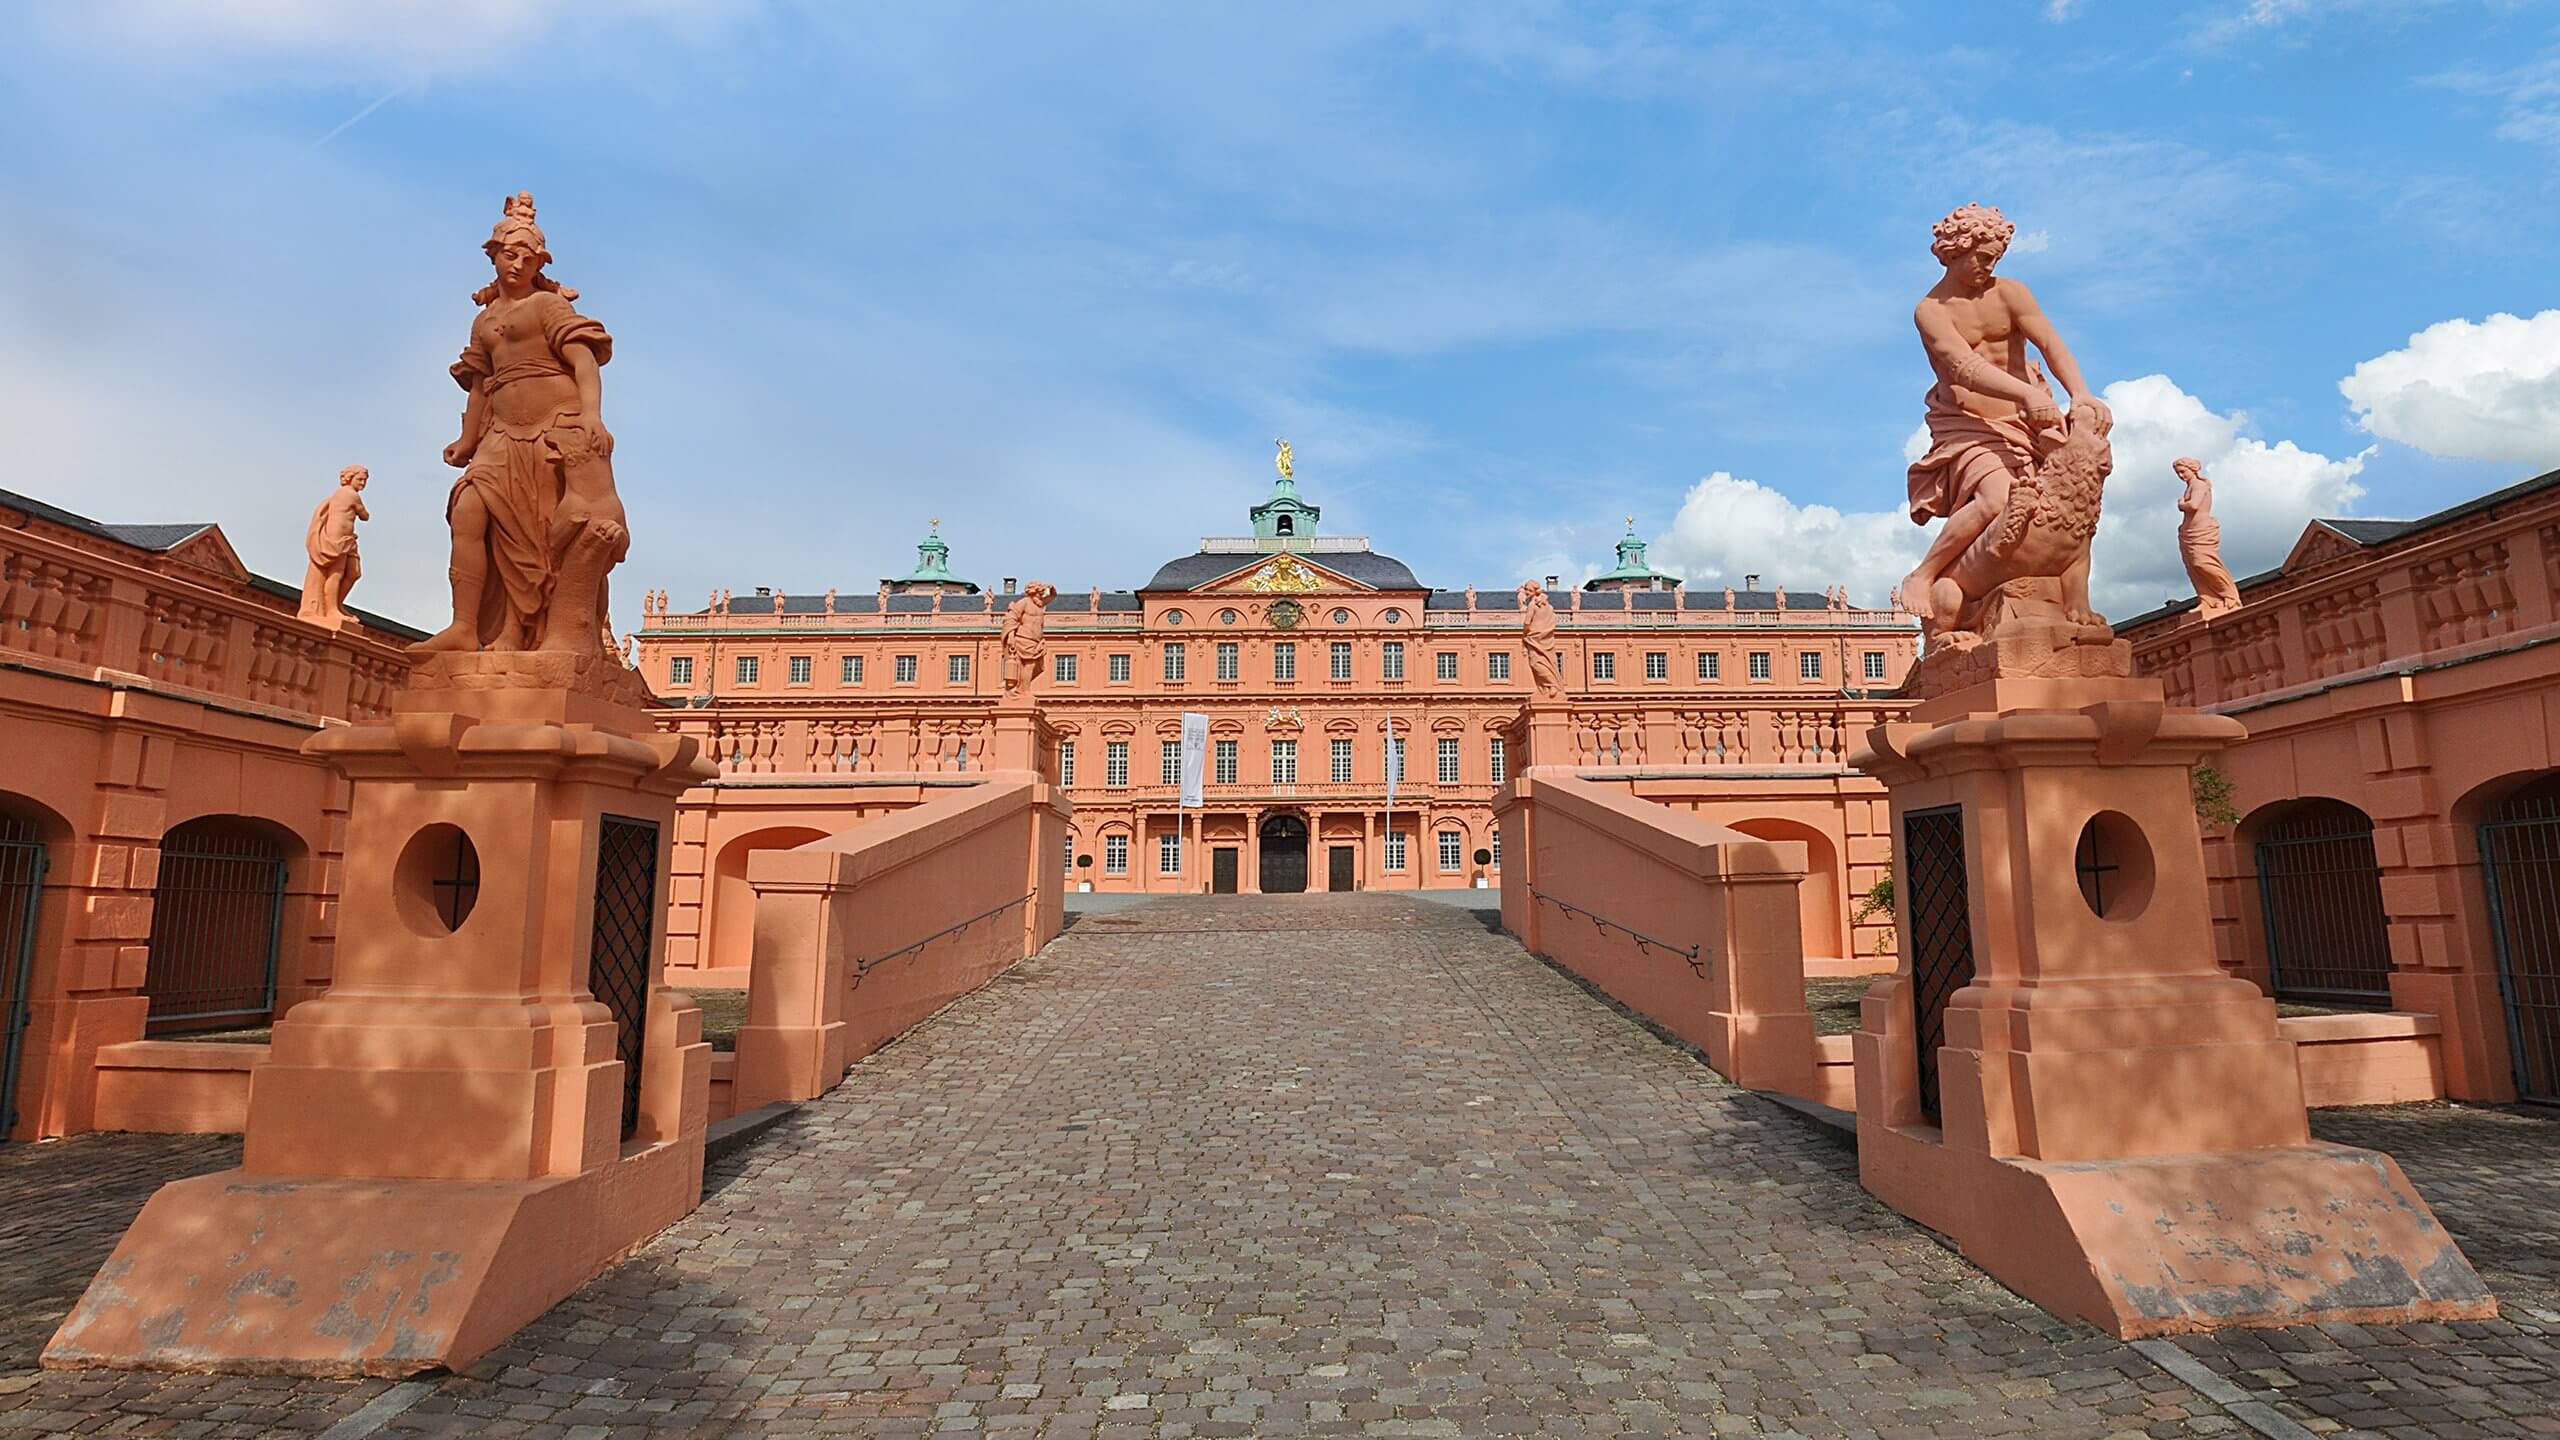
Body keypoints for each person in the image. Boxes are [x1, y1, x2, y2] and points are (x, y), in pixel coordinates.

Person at [417, 192, 625, 655]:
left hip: (551, 430)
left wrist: (590, 415)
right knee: (468, 509)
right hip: (500, 433)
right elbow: (479, 384)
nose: (517, 265)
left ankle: (518, 631)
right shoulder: (484, 321)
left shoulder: (547, 308)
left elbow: (583, 362)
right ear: (493, 257)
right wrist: (467, 437)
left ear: (539, 264)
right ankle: (464, 626)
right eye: (509, 255)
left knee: (537, 538)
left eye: (527, 258)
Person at [1897, 203, 2108, 628]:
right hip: (1969, 424)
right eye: (1982, 257)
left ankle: (2063, 601)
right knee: (1997, 498)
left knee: (2071, 506)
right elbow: (1963, 369)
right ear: (1955, 250)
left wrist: (2080, 392)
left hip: (2031, 418)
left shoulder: (2010, 292)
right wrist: (2027, 393)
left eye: (1996, 258)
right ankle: (1923, 575)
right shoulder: (1932, 310)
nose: (1989, 266)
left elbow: (2049, 344)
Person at [297, 464, 369, 626]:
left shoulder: (339, 496)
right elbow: (364, 515)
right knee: (335, 574)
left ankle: (336, 604)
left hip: (348, 540)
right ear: (350, 478)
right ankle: (331, 610)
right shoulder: (349, 494)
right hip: (337, 540)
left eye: (365, 480)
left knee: (353, 573)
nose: (363, 483)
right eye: (360, 479)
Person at [1518, 580, 1562, 698]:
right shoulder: (1547, 606)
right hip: (1545, 636)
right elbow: (1553, 620)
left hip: (1535, 637)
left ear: (1535, 591)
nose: (1527, 592)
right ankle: (1544, 688)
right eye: (1526, 590)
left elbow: (1527, 622)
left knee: (1536, 663)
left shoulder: (1532, 605)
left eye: (1529, 590)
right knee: (1547, 662)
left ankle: (1552, 685)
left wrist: (1524, 634)